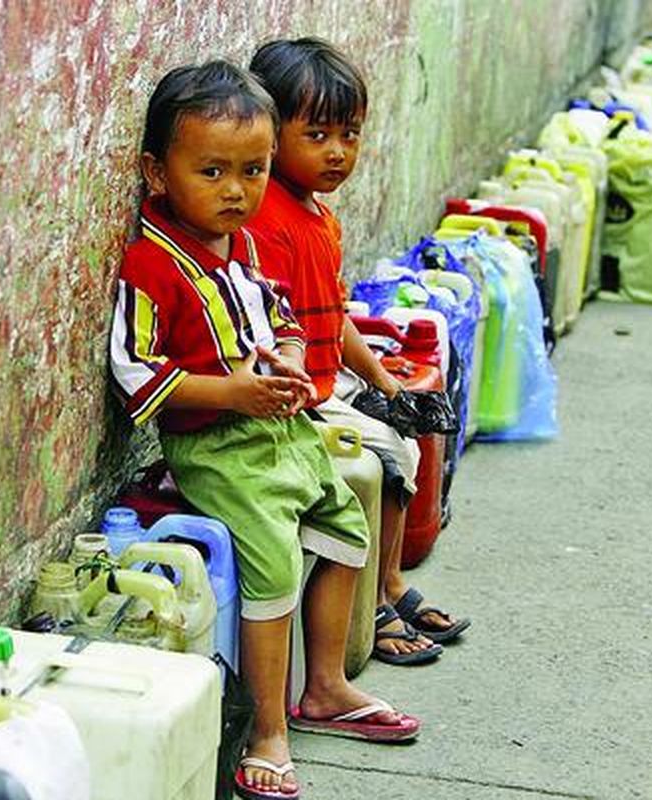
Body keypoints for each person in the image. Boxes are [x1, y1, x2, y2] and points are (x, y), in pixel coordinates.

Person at [109, 60, 419, 800]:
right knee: (273, 563)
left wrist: (282, 359)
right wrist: (235, 391)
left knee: (347, 522)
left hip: (276, 429)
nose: (237, 190)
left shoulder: (240, 245)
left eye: (253, 170)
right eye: (212, 171)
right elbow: (135, 373)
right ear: (158, 171)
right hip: (216, 445)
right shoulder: (153, 265)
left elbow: (277, 315)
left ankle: (328, 686)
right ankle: (268, 731)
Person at [248, 37, 470, 666]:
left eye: (349, 134)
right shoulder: (268, 224)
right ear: (271, 135)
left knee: (402, 438)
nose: (338, 152)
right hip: (295, 397)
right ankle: (372, 600)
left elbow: (334, 315)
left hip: (329, 384)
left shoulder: (320, 218)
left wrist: (388, 385)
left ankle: (390, 582)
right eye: (317, 134)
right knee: (381, 457)